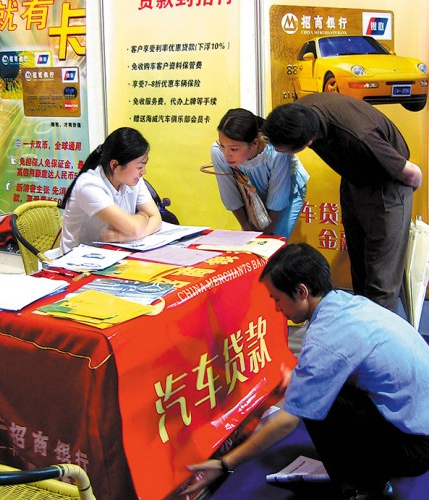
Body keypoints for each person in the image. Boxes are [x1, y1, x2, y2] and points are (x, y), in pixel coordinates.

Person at [183, 243, 429, 499]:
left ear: (301, 291)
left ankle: (364, 485)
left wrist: (224, 464)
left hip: (416, 449)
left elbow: (288, 421)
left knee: (315, 407)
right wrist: (303, 381)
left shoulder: (325, 337)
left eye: (277, 299)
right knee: (313, 390)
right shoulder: (348, 304)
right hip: (420, 422)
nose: (277, 308)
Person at [262, 93, 423, 312]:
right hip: (354, 178)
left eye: (283, 149)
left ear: (307, 142)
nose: (277, 151)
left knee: (381, 280)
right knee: (360, 267)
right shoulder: (297, 115)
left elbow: (412, 174)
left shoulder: (360, 136)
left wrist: (400, 202)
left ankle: (375, 339)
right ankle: (359, 327)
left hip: (388, 184)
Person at [210, 108, 309, 240]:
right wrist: (245, 226)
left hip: (287, 192)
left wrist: (266, 234)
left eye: (234, 149)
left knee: (274, 242)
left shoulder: (276, 151)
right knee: (250, 240)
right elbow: (230, 194)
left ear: (255, 144)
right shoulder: (218, 152)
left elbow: (278, 197)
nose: (227, 154)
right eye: (223, 145)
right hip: (252, 195)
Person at [60, 127, 162, 252]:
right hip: (78, 262)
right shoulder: (89, 186)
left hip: (114, 253)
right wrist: (143, 215)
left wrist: (132, 233)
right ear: (114, 165)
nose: (143, 172)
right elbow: (134, 228)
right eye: (140, 166)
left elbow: (156, 218)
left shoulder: (134, 180)